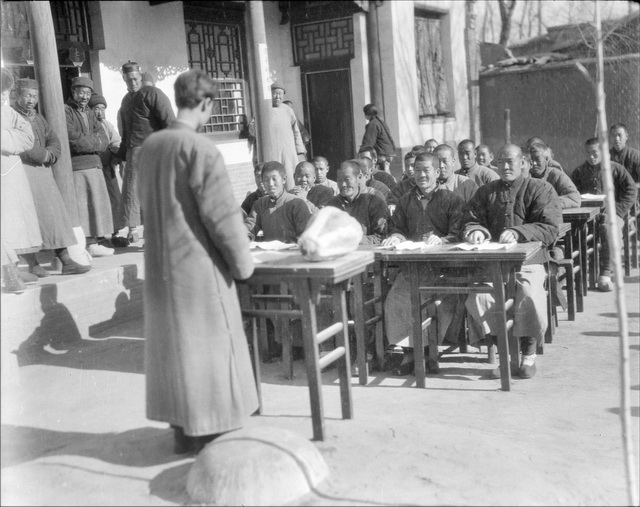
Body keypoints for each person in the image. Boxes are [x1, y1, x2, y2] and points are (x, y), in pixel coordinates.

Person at [137, 69, 258, 455]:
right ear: (206, 104)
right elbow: (222, 218)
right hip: (199, 269)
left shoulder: (151, 147)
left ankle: (183, 431)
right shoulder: (202, 149)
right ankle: (211, 437)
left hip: (161, 270)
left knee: (175, 350)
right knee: (207, 353)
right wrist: (243, 265)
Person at [463, 144, 561, 379]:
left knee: (527, 292)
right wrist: (476, 230)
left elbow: (550, 228)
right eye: (501, 162)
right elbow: (470, 219)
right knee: (480, 296)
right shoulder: (486, 192)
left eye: (511, 161)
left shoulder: (541, 189)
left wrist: (519, 232)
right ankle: (507, 355)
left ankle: (528, 355)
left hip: (531, 261)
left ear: (523, 163)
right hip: (495, 262)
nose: (505, 167)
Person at [381, 152, 466, 375]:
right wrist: (396, 237)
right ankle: (409, 354)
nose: (421, 175)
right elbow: (397, 227)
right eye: (417, 170)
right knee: (396, 300)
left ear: (437, 173)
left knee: (440, 303)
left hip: (444, 268)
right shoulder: (405, 201)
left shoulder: (452, 200)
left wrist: (443, 240)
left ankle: (430, 352)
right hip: (413, 267)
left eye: (426, 170)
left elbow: (459, 232)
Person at [13, 78, 90, 277]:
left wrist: (52, 153)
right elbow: (22, 143)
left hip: (44, 174)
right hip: (23, 173)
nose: (31, 100)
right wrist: (44, 155)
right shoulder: (12, 116)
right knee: (29, 220)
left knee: (55, 217)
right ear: (17, 96)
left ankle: (66, 260)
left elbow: (53, 138)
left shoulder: (38, 118)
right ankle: (33, 264)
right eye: (27, 96)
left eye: (35, 96)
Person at [117, 61, 175, 243]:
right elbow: (126, 133)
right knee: (137, 197)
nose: (132, 83)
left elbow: (170, 123)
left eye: (135, 79)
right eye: (128, 80)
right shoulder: (126, 100)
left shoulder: (153, 94)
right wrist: (119, 155)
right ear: (123, 79)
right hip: (134, 155)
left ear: (140, 76)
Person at [571, 138, 637, 292]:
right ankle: (578, 273)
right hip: (587, 215)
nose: (591, 156)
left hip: (612, 214)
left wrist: (618, 210)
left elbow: (631, 190)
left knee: (608, 229)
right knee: (574, 232)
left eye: (595, 153)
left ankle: (605, 274)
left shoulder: (616, 169)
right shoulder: (579, 172)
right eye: (588, 153)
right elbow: (572, 194)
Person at [1, 69, 42, 292]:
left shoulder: (10, 114)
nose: (1, 96)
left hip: (9, 175)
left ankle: (12, 269)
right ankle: (8, 273)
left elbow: (28, 137)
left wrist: (5, 140)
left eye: (4, 92)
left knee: (9, 225)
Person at [65, 76, 115, 257]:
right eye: (81, 92)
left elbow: (103, 138)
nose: (84, 97)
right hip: (78, 166)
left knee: (97, 205)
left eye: (87, 93)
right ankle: (86, 243)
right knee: (83, 207)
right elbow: (72, 138)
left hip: (95, 165)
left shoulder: (91, 113)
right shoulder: (67, 111)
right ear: (73, 92)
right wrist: (93, 143)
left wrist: (92, 143)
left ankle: (96, 241)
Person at [89, 93, 129, 248]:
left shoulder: (107, 125)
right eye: (96, 108)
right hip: (93, 168)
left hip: (107, 168)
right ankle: (98, 236)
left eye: (102, 109)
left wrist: (117, 154)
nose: (99, 112)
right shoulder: (87, 124)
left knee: (114, 200)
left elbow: (116, 142)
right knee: (96, 202)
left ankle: (115, 233)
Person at [245, 161, 311, 243]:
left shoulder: (297, 204)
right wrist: (246, 238)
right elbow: (249, 228)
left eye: (274, 179)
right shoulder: (259, 205)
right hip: (270, 253)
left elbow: (306, 234)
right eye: (266, 179)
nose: (270, 184)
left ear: (284, 179)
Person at [326, 160, 388, 245]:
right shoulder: (332, 205)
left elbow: (381, 237)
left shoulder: (374, 202)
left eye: (347, 179)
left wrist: (352, 240)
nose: (343, 184)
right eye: (339, 180)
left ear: (359, 178)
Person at [270, 83, 306, 190]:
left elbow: (296, 130)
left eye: (280, 94)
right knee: (275, 174)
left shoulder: (287, 109)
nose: (278, 97)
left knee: (290, 174)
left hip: (288, 150)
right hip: (273, 150)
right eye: (275, 94)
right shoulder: (264, 109)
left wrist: (299, 149)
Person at [528, 142, 581, 209]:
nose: (534, 163)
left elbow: (574, 198)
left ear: (546, 159)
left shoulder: (557, 175)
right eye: (531, 160)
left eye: (537, 159)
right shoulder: (524, 177)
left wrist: (548, 203)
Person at [360, 103, 396, 172]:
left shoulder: (373, 124)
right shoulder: (379, 122)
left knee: (380, 174)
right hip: (388, 153)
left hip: (382, 154)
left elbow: (368, 142)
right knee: (386, 173)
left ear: (368, 114)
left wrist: (362, 152)